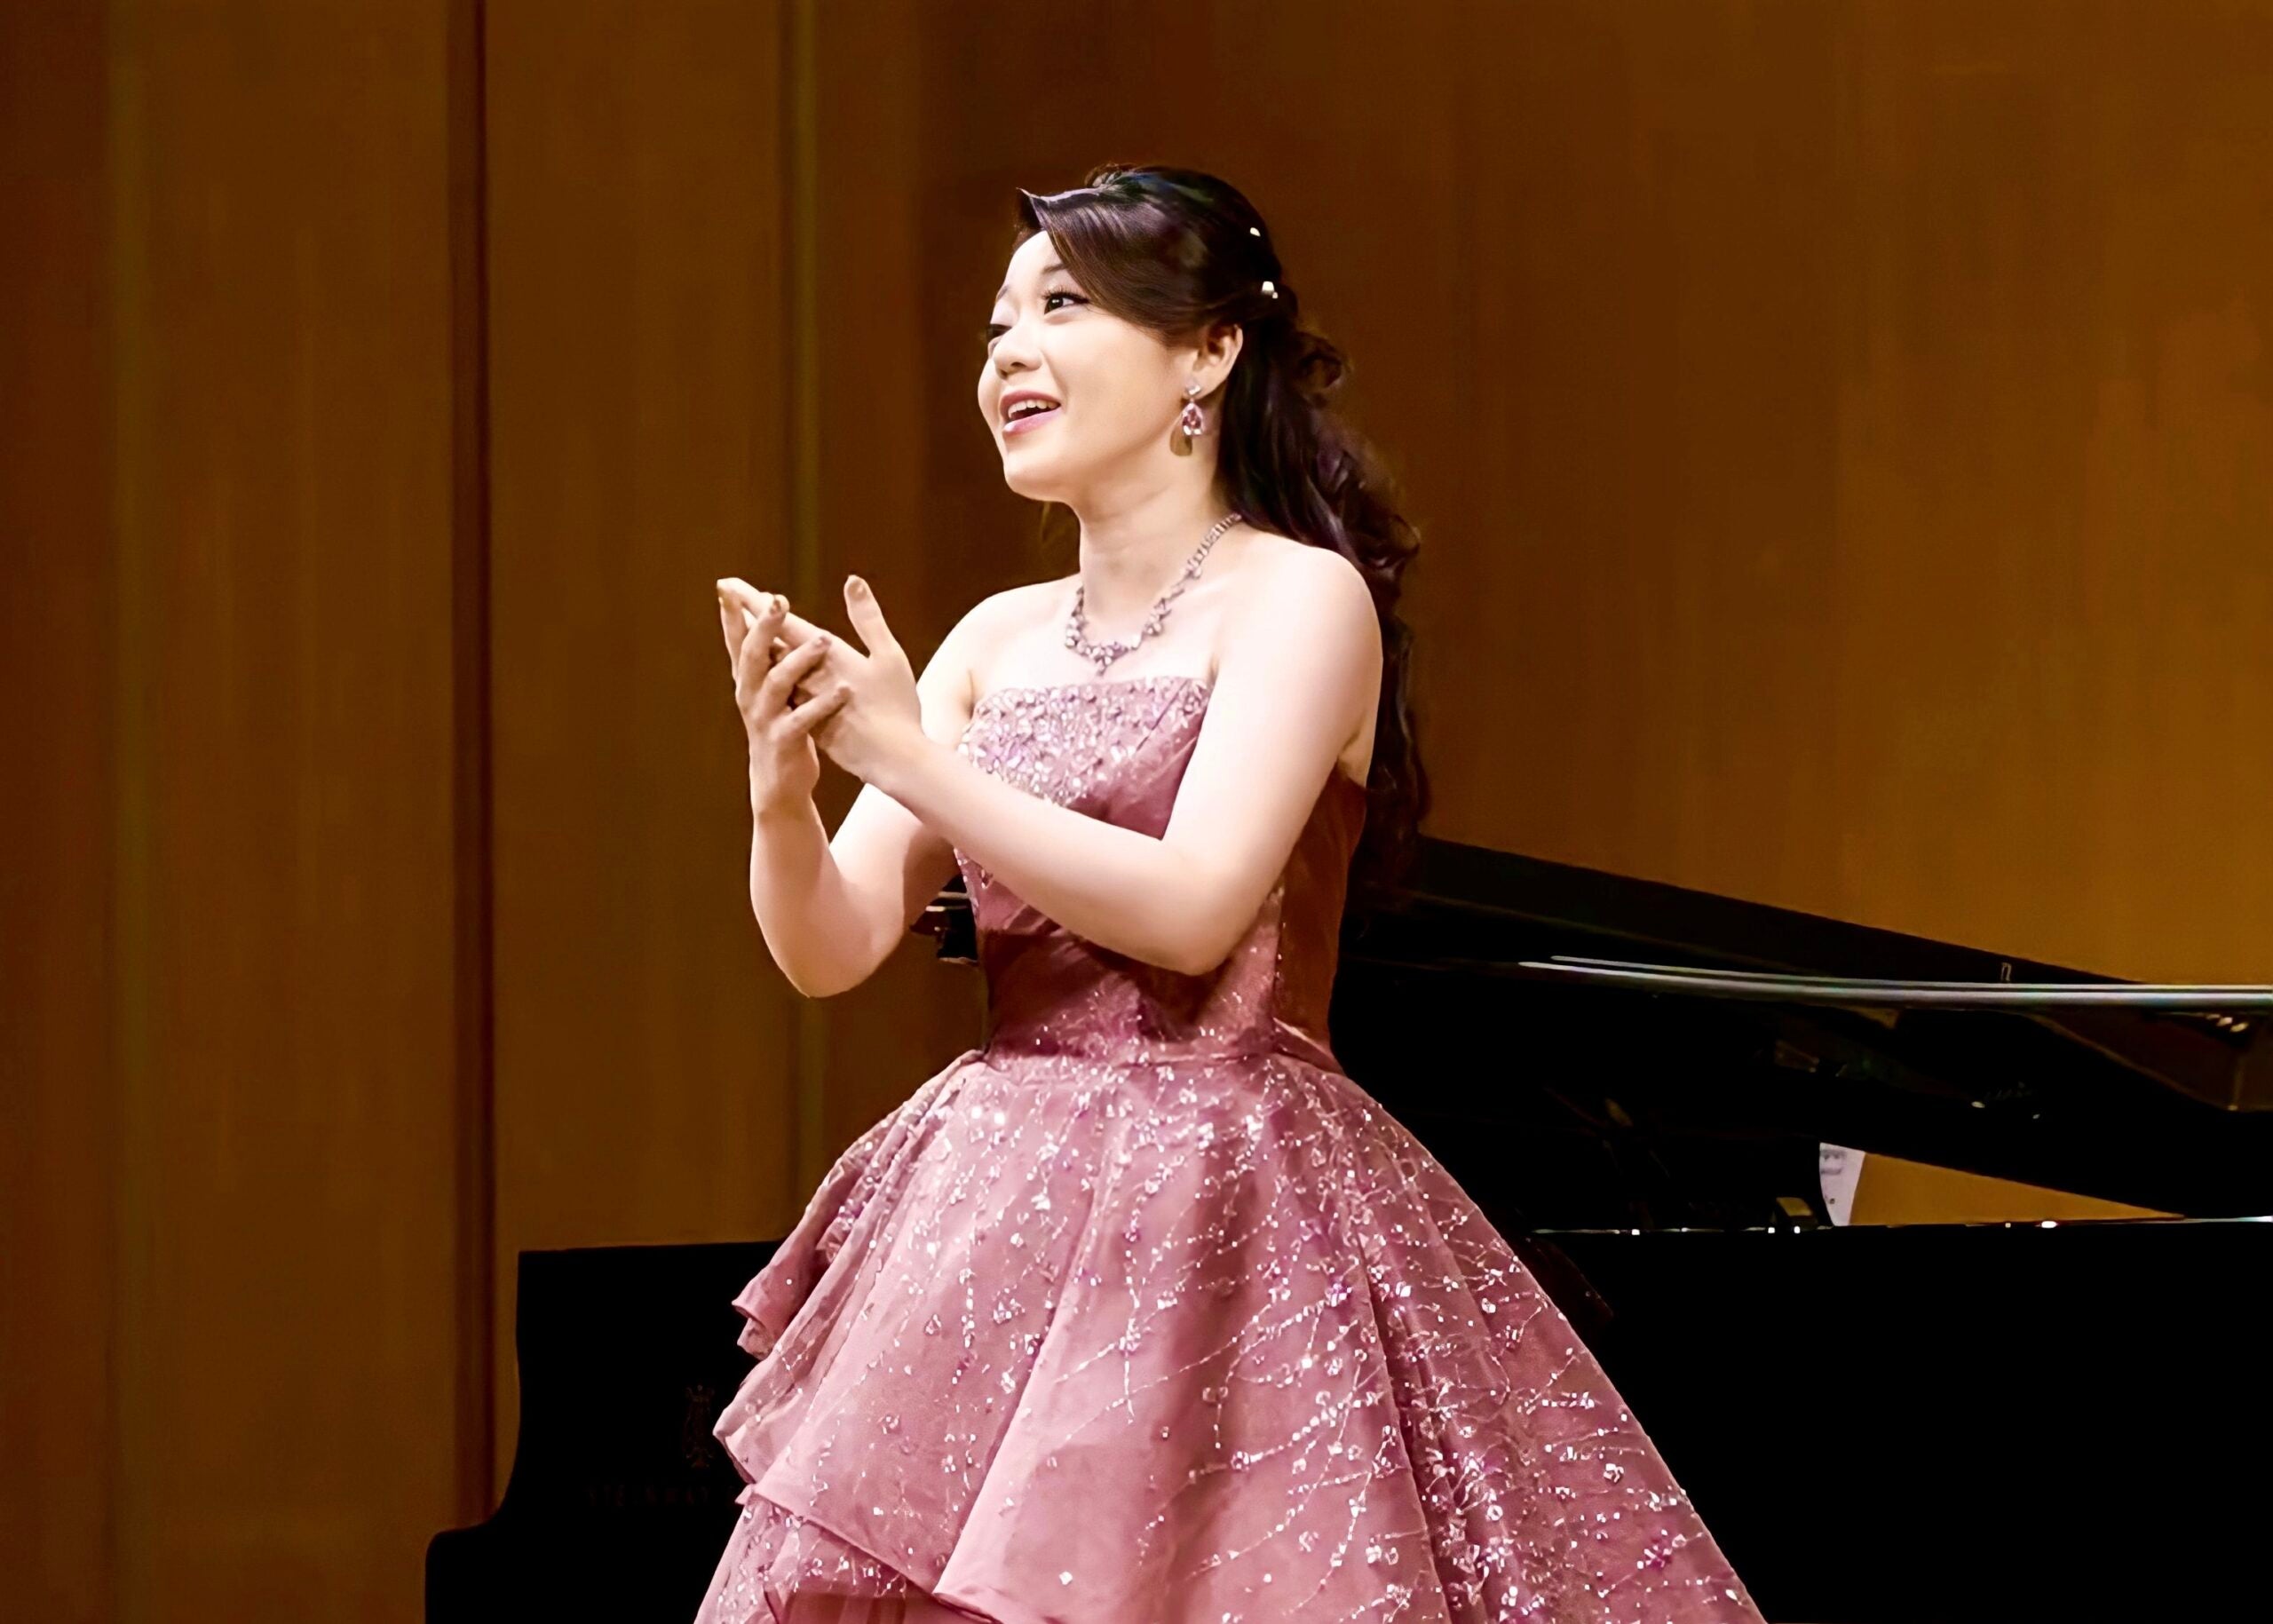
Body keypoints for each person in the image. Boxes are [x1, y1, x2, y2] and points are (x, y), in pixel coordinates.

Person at [699, 165, 1763, 1624]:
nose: (1006, 352)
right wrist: (782, 788)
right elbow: (831, 949)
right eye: (997, 322)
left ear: (1210, 351)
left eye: (1061, 305)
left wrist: (917, 766)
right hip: (993, 1201)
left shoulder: (1300, 598)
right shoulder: (991, 638)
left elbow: (1195, 909)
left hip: (1233, 1191)